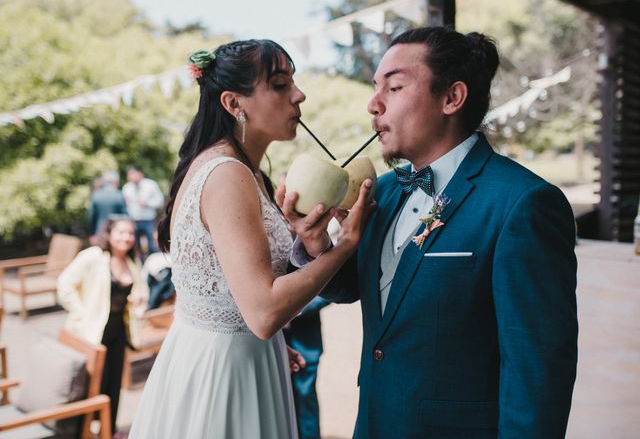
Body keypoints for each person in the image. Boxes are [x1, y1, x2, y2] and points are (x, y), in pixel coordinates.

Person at [282, 26, 578, 438]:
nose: (373, 104)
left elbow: (538, 368)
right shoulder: (382, 192)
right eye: (374, 88)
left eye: (395, 87)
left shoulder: (522, 204)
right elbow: (364, 287)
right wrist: (319, 245)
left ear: (452, 98)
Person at [128, 39, 373, 439]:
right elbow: (262, 313)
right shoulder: (228, 175)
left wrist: (309, 244)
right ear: (233, 103)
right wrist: (345, 244)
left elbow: (239, 292)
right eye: (279, 85)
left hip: (238, 359)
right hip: (223, 376)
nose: (299, 95)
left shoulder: (246, 171)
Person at [57, 215, 148, 435]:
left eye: (130, 233)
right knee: (86, 386)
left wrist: (136, 302)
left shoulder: (132, 262)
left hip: (118, 333)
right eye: (121, 232)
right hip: (91, 333)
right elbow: (64, 285)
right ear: (109, 234)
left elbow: (142, 292)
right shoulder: (93, 257)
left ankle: (109, 429)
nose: (126, 238)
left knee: (113, 383)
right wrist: (81, 313)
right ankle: (78, 431)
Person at [284, 296, 330, 439]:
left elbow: (326, 292)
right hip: (265, 342)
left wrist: (289, 312)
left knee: (305, 396)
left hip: (304, 341)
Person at [122, 165, 164, 256]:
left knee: (151, 244)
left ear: (140, 174)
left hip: (148, 220)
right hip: (133, 220)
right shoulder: (126, 188)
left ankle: (153, 263)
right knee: (135, 246)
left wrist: (147, 203)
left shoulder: (151, 185)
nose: (131, 177)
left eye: (133, 174)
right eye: (129, 175)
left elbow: (160, 201)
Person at [87, 170, 127, 245]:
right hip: (116, 234)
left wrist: (92, 233)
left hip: (99, 232)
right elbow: (124, 216)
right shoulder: (119, 195)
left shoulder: (96, 195)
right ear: (115, 182)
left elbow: (91, 217)